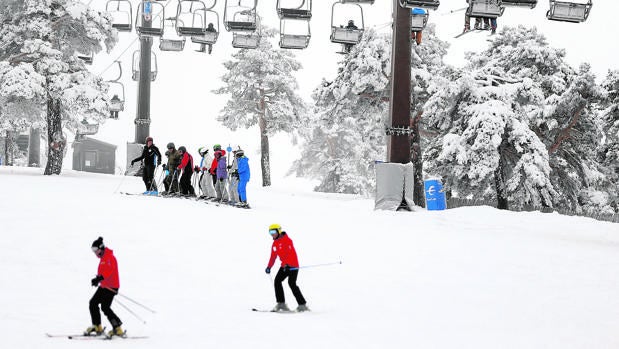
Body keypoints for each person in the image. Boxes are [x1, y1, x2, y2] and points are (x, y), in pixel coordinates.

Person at [85, 237, 125, 338]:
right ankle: (97, 326)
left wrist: (100, 278)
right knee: (93, 303)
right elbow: (104, 272)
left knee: (105, 307)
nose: (94, 252)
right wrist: (98, 279)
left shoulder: (109, 257)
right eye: (93, 250)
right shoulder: (104, 258)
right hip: (105, 286)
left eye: (95, 250)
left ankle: (117, 328)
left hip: (111, 287)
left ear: (101, 248)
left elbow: (109, 270)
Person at [265, 224, 309, 312]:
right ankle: (281, 304)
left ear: (279, 231)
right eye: (270, 232)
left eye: (273, 231)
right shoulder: (275, 244)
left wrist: (287, 265)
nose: (272, 234)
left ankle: (302, 305)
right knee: (277, 281)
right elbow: (273, 257)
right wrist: (269, 267)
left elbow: (290, 255)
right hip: (284, 266)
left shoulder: (287, 240)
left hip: (293, 266)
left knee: (292, 283)